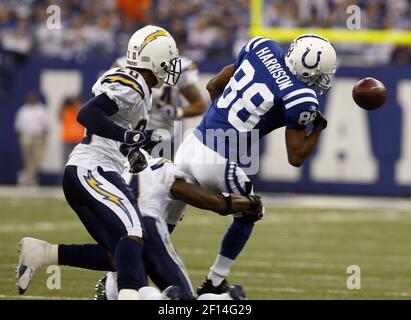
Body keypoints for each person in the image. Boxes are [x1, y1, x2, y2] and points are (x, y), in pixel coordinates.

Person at [16, 25, 181, 300]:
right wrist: (128, 135)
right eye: (169, 59)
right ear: (156, 59)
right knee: (134, 231)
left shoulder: (140, 90)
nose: (172, 67)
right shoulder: (135, 84)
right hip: (92, 170)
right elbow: (88, 113)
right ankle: (129, 295)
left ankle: (43, 253)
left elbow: (112, 129)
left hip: (90, 171)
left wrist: (132, 148)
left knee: (120, 253)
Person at [174, 34, 336, 294]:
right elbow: (296, 157)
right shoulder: (302, 97)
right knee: (252, 210)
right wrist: (317, 128)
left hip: (190, 144)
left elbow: (213, 86)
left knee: (163, 221)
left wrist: (223, 122)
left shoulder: (262, 47)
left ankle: (124, 278)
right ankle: (215, 282)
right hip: (217, 161)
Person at [16, 156, 263, 300]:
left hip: (120, 225)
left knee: (118, 264)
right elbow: (214, 203)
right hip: (147, 226)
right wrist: (249, 202)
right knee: (183, 301)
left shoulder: (115, 169)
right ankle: (221, 301)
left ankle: (46, 252)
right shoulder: (161, 168)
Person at [114, 55, 206, 159]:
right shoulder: (124, 65)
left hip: (162, 140)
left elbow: (199, 106)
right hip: (130, 138)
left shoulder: (178, 67)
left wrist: (177, 112)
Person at [14, 91, 49, 186]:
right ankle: (30, 179)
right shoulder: (23, 110)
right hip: (26, 136)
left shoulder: (41, 109)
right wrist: (22, 136)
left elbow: (46, 125)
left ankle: (29, 178)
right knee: (27, 159)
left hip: (38, 137)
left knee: (36, 159)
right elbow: (18, 126)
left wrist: (44, 137)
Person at [60, 96, 84, 162]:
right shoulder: (66, 111)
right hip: (68, 140)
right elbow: (60, 112)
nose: (75, 104)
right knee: (67, 161)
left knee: (79, 161)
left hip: (79, 141)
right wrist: (66, 101)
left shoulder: (82, 111)